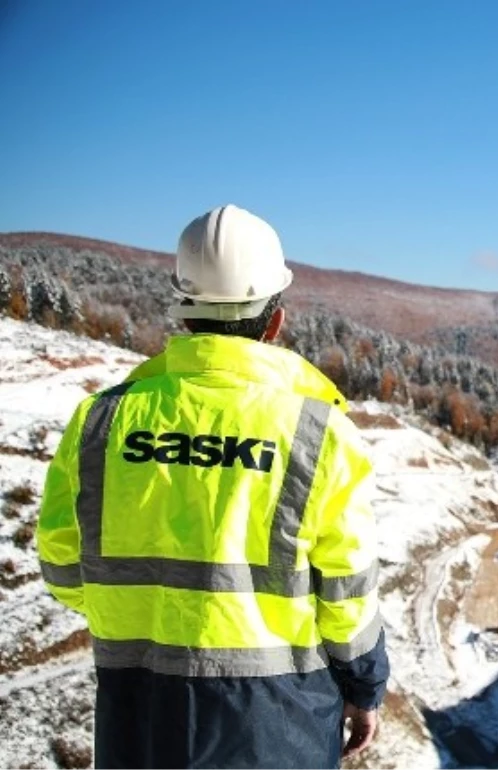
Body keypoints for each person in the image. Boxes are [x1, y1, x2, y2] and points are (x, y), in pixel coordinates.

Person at [37, 204, 389, 768]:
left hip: (139, 717)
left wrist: (140, 615)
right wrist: (364, 689)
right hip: (279, 726)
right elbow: (346, 596)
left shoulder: (99, 422)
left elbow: (62, 570)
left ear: (185, 312)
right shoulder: (319, 434)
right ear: (274, 321)